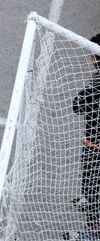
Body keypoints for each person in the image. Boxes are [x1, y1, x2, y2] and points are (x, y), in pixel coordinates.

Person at [69, 34, 100, 240]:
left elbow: (77, 105)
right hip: (94, 140)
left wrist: (88, 92)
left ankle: (92, 233)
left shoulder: (98, 82)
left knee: (92, 184)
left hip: (96, 144)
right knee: (91, 183)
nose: (89, 56)